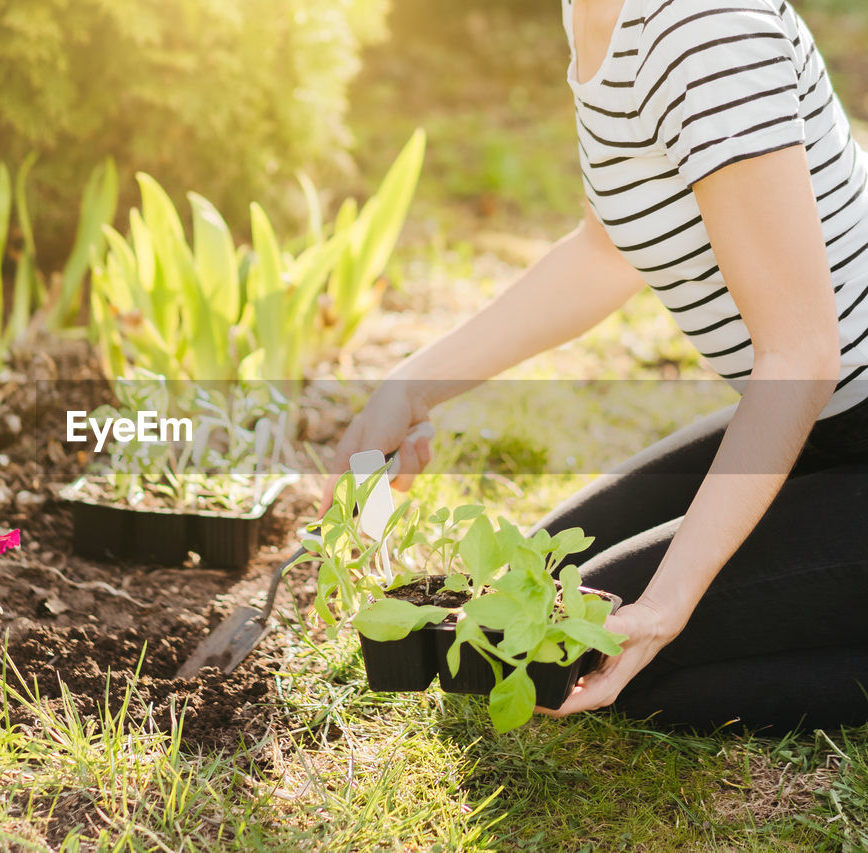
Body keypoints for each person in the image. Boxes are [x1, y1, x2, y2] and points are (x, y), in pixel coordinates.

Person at [326, 0, 868, 731]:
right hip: (821, 424)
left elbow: (801, 351)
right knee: (535, 598)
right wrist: (413, 384)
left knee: (601, 655)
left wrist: (673, 601)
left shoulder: (703, 25)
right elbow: (605, 250)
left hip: (823, 396)